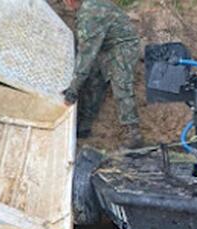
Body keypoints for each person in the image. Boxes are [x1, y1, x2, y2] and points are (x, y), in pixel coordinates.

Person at [61, 0, 143, 148]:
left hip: (124, 45)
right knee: (94, 80)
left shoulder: (89, 15)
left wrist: (72, 91)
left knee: (121, 84)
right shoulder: (89, 6)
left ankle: (133, 134)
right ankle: (84, 126)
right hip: (108, 45)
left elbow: (85, 56)